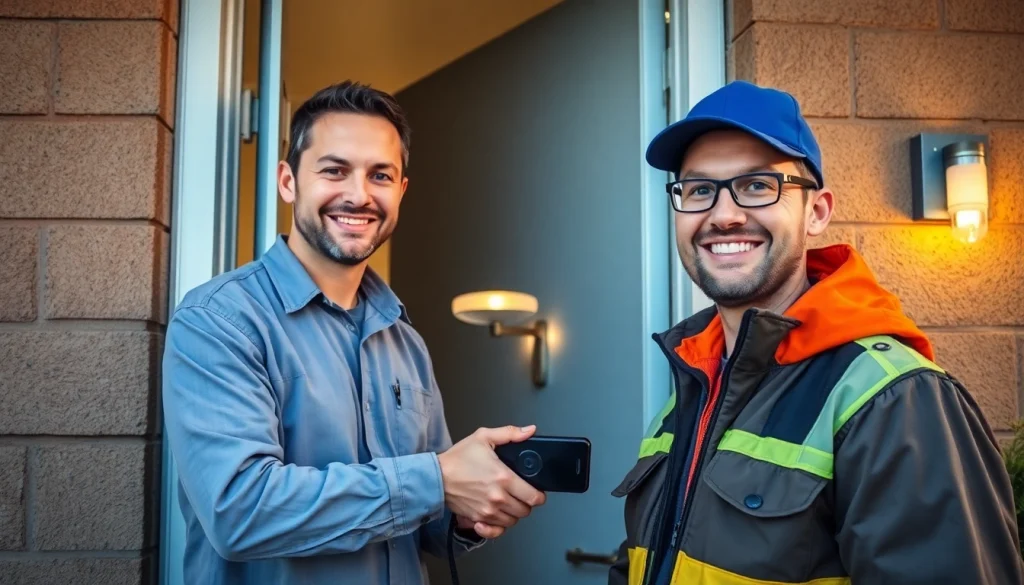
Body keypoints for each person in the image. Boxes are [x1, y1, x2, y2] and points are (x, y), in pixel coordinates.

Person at [608, 80, 1022, 585]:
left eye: (757, 185)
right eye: (698, 190)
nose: (723, 215)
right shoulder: (692, 383)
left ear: (817, 212)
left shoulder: (894, 398)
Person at [162, 81, 546, 585]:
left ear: (401, 191)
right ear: (288, 182)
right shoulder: (219, 320)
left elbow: (426, 521)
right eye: (334, 170)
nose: (359, 195)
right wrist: (436, 479)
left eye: (380, 175)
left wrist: (471, 507)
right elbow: (239, 511)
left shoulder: (405, 342)